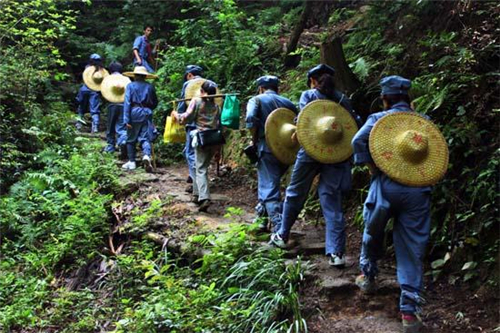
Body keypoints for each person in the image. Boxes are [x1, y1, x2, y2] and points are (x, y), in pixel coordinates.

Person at [351, 76, 429, 332]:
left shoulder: (377, 119)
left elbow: (357, 142)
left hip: (385, 185)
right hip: (417, 189)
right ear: (408, 98)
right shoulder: (423, 122)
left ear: (385, 98)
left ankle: (368, 276)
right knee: (411, 246)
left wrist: (373, 167)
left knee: (373, 231)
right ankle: (409, 312)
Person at [270, 64, 360, 268]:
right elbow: (353, 124)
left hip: (310, 151)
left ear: (313, 80)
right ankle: (337, 253)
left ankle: (283, 235)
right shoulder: (342, 99)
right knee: (332, 200)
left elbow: (303, 120)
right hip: (336, 154)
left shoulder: (309, 96)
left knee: (295, 192)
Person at [246, 75, 297, 232]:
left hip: (266, 148)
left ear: (261, 88)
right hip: (286, 150)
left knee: (269, 187)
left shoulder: (257, 100)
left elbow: (250, 118)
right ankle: (261, 220)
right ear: (277, 88)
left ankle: (278, 228)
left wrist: (253, 139)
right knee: (269, 182)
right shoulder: (288, 103)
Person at [173, 80, 221, 212]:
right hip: (214, 139)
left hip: (201, 138)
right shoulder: (217, 107)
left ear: (201, 92)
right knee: (200, 166)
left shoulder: (196, 102)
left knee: (200, 169)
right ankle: (196, 194)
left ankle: (204, 197)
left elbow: (185, 119)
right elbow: (220, 125)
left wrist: (176, 115)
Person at [122, 66, 158, 172]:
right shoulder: (150, 86)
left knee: (131, 138)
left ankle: (132, 162)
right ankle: (146, 155)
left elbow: (127, 103)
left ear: (135, 76)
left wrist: (126, 119)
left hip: (134, 113)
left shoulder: (130, 86)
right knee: (145, 137)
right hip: (147, 113)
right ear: (145, 76)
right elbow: (155, 102)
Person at [177, 65, 204, 191]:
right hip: (209, 125)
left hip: (193, 123)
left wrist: (179, 116)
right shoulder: (210, 83)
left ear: (189, 74)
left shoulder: (188, 84)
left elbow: (183, 103)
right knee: (198, 152)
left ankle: (196, 184)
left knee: (191, 152)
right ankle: (193, 176)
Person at [103, 61, 128, 157]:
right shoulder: (125, 79)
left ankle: (110, 146)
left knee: (110, 126)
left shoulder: (108, 79)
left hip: (111, 104)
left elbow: (104, 91)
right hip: (123, 105)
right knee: (121, 126)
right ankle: (123, 140)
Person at [76, 53, 103, 133]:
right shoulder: (101, 70)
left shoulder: (87, 67)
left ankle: (79, 124)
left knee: (81, 107)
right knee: (94, 109)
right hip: (94, 90)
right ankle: (95, 127)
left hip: (84, 89)